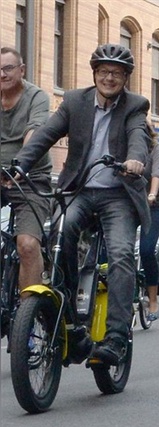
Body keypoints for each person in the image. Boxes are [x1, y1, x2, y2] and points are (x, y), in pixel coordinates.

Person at [16, 43, 150, 366]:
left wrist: (134, 159)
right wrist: (20, 165)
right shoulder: (75, 101)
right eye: (104, 72)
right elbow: (45, 134)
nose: (109, 78)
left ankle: (117, 337)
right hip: (79, 190)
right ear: (95, 74)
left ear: (125, 78)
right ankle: (72, 323)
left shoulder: (135, 106)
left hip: (118, 194)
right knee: (60, 240)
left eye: (116, 73)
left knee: (119, 254)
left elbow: (138, 137)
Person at [0, 47, 51, 297]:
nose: (2, 74)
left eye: (8, 68)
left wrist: (21, 164)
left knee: (28, 246)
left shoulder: (37, 97)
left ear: (21, 70)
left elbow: (35, 133)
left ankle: (27, 320)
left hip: (30, 179)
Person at [140, 121, 159, 321]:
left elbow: (156, 174)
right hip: (128, 203)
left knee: (147, 249)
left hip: (153, 204)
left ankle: (153, 300)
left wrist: (152, 194)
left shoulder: (155, 149)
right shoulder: (122, 146)